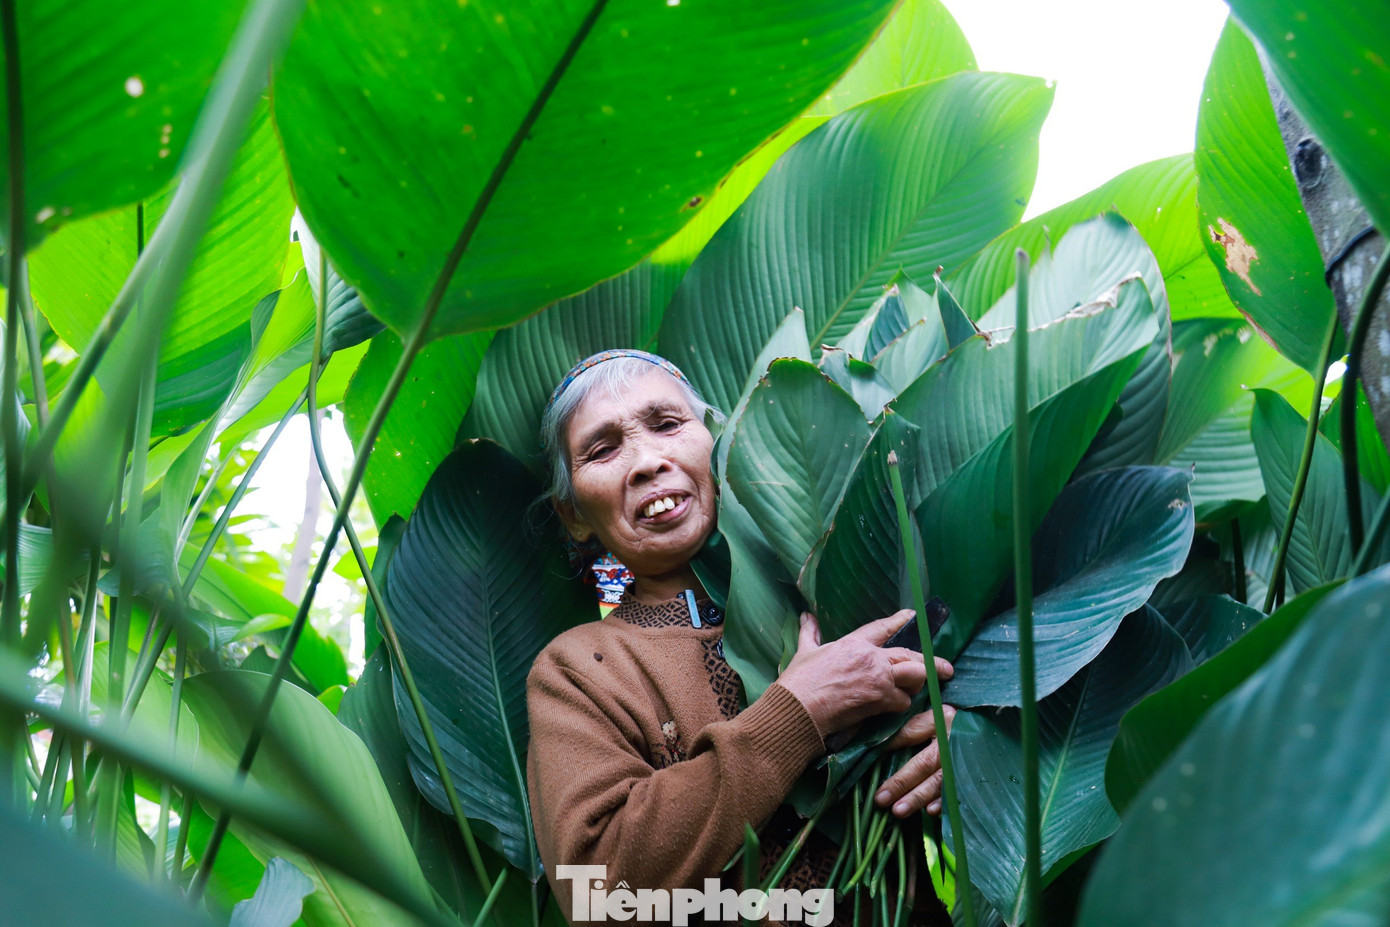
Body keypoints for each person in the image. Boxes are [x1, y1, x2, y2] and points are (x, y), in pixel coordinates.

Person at [526, 350, 955, 925]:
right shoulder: (579, 669)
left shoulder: (832, 591)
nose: (646, 461)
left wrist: (956, 746)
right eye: (603, 450)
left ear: (720, 444)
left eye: (667, 424)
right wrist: (798, 713)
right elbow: (595, 888)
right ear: (573, 513)